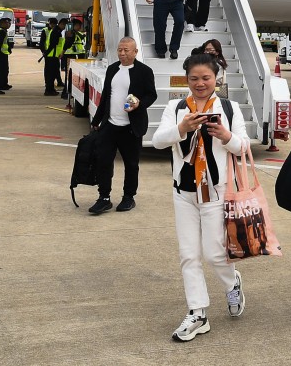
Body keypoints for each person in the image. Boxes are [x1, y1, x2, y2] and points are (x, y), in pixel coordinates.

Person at [153, 53, 248, 340]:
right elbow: (157, 141)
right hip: (184, 192)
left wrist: (225, 135)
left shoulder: (229, 108)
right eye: (193, 78)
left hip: (216, 192)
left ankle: (232, 285)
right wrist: (182, 128)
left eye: (206, 78)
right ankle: (198, 313)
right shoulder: (177, 107)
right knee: (189, 255)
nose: (200, 83)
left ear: (216, 78)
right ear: (186, 80)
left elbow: (243, 146)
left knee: (216, 254)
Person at [89, 37, 158, 215]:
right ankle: (104, 198)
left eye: (126, 50)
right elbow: (105, 98)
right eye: (120, 50)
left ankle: (129, 197)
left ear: (135, 52)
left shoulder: (144, 71)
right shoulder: (112, 69)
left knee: (131, 164)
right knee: (104, 162)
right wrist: (96, 121)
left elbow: (152, 95)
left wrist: (139, 103)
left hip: (131, 127)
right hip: (110, 125)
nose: (122, 53)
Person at [60, 20, 86, 100]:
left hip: (76, 56)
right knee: (69, 76)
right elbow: (67, 44)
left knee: (73, 76)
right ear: (74, 25)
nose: (80, 27)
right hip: (71, 57)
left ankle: (68, 92)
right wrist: (62, 53)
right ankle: (66, 93)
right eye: (78, 25)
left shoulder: (77, 33)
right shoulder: (71, 34)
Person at [41, 17, 63, 96]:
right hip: (50, 55)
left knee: (53, 72)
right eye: (51, 24)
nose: (52, 25)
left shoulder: (55, 31)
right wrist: (44, 52)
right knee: (50, 73)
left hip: (53, 55)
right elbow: (44, 43)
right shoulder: (49, 31)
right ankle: (49, 89)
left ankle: (53, 86)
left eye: (54, 24)